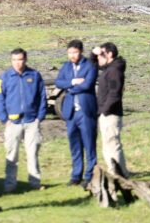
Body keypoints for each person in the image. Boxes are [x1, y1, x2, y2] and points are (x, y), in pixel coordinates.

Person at [0, 48, 48, 193]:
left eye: (20, 59)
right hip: (12, 123)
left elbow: (42, 96)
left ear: (25, 59)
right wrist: (4, 119)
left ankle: (35, 183)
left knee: (32, 154)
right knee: (12, 155)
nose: (17, 63)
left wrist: (39, 117)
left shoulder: (35, 75)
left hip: (32, 122)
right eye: (14, 60)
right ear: (11, 60)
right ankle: (10, 186)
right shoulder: (4, 77)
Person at [55, 40, 98, 188]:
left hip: (85, 111)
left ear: (81, 52)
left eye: (75, 52)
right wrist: (73, 81)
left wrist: (70, 88)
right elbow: (58, 82)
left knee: (89, 145)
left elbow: (87, 84)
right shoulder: (66, 66)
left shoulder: (90, 66)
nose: (72, 55)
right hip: (70, 112)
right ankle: (76, 176)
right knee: (75, 145)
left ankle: (90, 175)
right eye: (70, 53)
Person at [94, 42, 129, 177]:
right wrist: (94, 54)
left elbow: (115, 93)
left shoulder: (114, 70)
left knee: (112, 145)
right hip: (108, 113)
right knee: (108, 145)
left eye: (102, 54)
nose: (99, 57)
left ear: (109, 54)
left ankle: (119, 174)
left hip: (111, 114)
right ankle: (115, 172)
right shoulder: (110, 68)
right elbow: (93, 65)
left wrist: (104, 110)